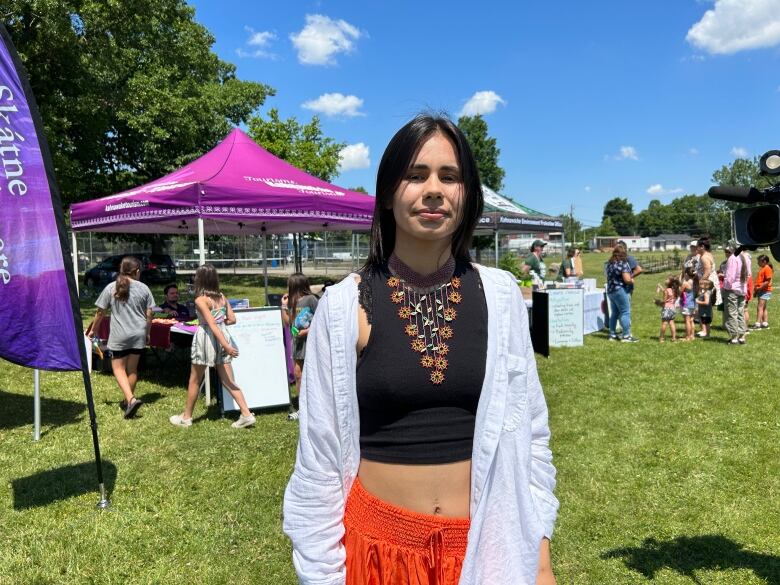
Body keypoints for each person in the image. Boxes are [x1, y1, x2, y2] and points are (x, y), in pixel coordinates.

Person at [283, 114, 558, 585]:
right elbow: (320, 457)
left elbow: (531, 437)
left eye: (449, 177)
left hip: (485, 547)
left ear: (466, 194)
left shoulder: (502, 295)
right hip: (376, 554)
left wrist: (538, 556)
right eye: (416, 175)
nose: (434, 189)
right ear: (389, 194)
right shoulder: (345, 305)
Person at [169, 265, 255, 428]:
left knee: (194, 380)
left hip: (207, 339)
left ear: (199, 280)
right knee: (228, 380)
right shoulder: (221, 297)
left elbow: (212, 325)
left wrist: (226, 345)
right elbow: (232, 319)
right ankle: (246, 414)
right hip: (222, 337)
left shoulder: (201, 300)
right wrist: (226, 343)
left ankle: (186, 418)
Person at [90, 256, 154, 419]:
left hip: (120, 335)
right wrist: (147, 332)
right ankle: (128, 402)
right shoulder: (144, 288)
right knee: (132, 369)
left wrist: (93, 330)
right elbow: (150, 313)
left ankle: (131, 400)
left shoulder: (111, 287)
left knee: (118, 369)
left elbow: (100, 312)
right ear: (137, 271)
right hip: (138, 333)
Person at [280, 273, 318, 397]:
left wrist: (307, 331)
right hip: (297, 343)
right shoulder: (291, 301)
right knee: (298, 374)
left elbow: (321, 321)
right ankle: (302, 405)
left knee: (313, 374)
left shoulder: (311, 299)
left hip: (310, 342)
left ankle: (314, 403)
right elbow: (287, 323)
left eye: (289, 285)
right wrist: (284, 306)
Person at [605, 245, 638, 342]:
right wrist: (631, 280)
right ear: (622, 254)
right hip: (620, 290)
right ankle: (626, 336)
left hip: (611, 290)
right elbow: (627, 279)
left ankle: (612, 335)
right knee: (625, 312)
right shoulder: (622, 264)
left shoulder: (609, 264)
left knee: (614, 313)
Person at [723, 242, 749, 345]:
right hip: (742, 289)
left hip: (732, 289)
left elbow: (730, 278)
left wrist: (725, 287)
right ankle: (742, 336)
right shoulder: (745, 257)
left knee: (732, 313)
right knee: (740, 312)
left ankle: (734, 337)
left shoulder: (733, 258)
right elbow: (749, 274)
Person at [695, 237, 720, 337]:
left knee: (704, 307)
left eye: (698, 246)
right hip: (710, 283)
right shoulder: (708, 254)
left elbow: (707, 271)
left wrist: (700, 283)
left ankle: (705, 331)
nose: (696, 248)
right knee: (707, 307)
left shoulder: (704, 257)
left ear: (702, 247)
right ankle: (705, 330)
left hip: (706, 284)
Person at [656, 275, 680, 342]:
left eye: (667, 279)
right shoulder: (675, 290)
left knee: (664, 323)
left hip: (666, 308)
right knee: (672, 323)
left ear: (670, 282)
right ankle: (674, 338)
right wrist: (660, 287)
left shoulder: (666, 291)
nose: (665, 280)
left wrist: (657, 302)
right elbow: (664, 291)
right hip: (672, 308)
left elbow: (664, 301)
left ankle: (661, 338)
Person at [752, 254, 773, 329]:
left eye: (759, 261)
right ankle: (765, 323)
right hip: (762, 290)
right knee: (763, 307)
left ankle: (758, 324)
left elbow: (767, 281)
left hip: (764, 290)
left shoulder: (767, 268)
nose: (758, 263)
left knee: (760, 307)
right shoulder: (763, 268)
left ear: (764, 261)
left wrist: (759, 288)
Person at [680, 268, 697, 341]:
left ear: (686, 274)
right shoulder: (694, 282)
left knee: (687, 320)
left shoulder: (685, 283)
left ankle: (687, 337)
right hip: (693, 303)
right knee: (691, 320)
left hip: (686, 303)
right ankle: (692, 335)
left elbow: (680, 292)